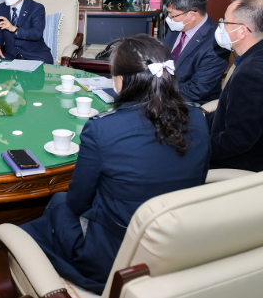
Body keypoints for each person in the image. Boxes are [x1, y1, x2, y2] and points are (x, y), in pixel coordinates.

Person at [21, 34, 210, 294]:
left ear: (121, 81)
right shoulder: (198, 118)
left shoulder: (103, 128)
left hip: (116, 256)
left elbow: (78, 203)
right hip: (176, 244)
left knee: (57, 204)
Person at [207, 0, 263, 172]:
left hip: (246, 167)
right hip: (259, 153)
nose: (221, 26)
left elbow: (235, 142)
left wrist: (187, 146)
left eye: (225, 21)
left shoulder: (253, 76)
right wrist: (194, 119)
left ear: (242, 31)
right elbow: (232, 112)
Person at [163, 0, 230, 104]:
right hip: (164, 91)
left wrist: (157, 91)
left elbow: (196, 90)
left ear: (192, 15)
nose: (169, 18)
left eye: (172, 15)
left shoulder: (217, 44)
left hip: (191, 104)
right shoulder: (177, 26)